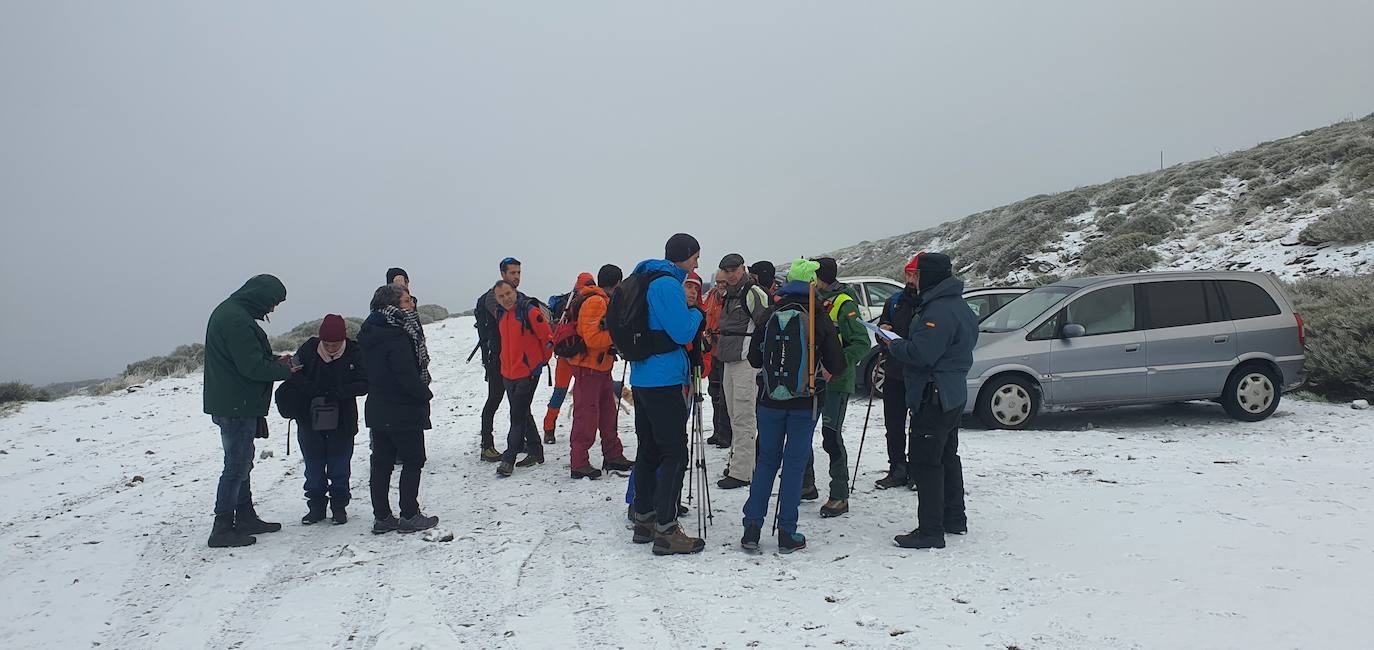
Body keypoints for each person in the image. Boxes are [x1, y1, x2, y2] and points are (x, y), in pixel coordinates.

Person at [740, 260, 847, 554]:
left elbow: (754, 360)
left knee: (766, 462)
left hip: (769, 400)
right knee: (794, 465)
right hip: (805, 402)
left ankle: (751, 527)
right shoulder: (817, 315)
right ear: (812, 283)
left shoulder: (771, 312)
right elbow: (837, 363)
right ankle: (787, 532)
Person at [876, 252, 977, 550]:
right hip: (951, 393)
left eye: (917, 275)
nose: (912, 280)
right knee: (947, 455)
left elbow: (922, 355)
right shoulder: (957, 305)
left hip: (935, 394)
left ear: (930, 276)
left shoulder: (938, 312)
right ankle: (954, 518)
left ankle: (931, 531)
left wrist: (894, 344)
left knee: (925, 462)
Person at [203, 274, 298, 548]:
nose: (272, 309)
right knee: (236, 464)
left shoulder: (232, 312)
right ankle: (222, 526)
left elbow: (249, 359)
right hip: (236, 404)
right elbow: (251, 368)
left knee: (242, 460)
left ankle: (244, 515)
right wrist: (286, 370)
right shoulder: (235, 320)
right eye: (272, 302)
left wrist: (274, 360)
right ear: (260, 296)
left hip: (233, 401)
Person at [626, 233, 706, 556]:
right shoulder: (667, 285)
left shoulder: (642, 279)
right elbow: (683, 331)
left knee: (649, 448)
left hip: (642, 376)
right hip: (664, 379)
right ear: (685, 255)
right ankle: (667, 529)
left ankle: (644, 519)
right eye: (696, 256)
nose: (697, 263)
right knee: (674, 451)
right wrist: (697, 313)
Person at [359, 284, 439, 534]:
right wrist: (424, 393)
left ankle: (382, 517)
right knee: (414, 460)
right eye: (406, 301)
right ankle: (409, 514)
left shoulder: (368, 331)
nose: (411, 305)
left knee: (381, 463)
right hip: (403, 408)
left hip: (378, 407)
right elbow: (405, 374)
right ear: (392, 305)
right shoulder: (397, 333)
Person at [275, 314, 368, 525]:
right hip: (309, 419)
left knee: (339, 466)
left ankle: (339, 507)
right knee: (313, 466)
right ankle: (316, 508)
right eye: (327, 344)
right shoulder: (308, 350)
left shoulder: (355, 352)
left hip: (343, 420)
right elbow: (293, 374)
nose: (331, 348)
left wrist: (339, 392)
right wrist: (315, 391)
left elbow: (365, 383)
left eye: (335, 344)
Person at [799, 258, 869, 517]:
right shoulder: (810, 299)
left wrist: (835, 366)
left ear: (821, 277)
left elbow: (861, 342)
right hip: (810, 380)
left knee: (830, 436)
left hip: (836, 382)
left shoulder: (845, 303)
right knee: (802, 431)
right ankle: (806, 484)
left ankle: (839, 494)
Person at [567, 265, 634, 479]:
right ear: (618, 282)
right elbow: (593, 339)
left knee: (607, 414)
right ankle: (579, 463)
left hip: (600, 368)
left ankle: (613, 455)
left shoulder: (603, 300)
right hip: (588, 369)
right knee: (586, 417)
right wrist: (617, 335)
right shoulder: (596, 302)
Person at [714, 253, 772, 490]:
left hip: (746, 362)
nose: (730, 274)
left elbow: (766, 323)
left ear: (742, 268)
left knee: (743, 415)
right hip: (730, 359)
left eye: (733, 270)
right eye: (726, 271)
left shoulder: (752, 292)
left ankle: (742, 471)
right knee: (734, 413)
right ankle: (740, 462)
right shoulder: (731, 293)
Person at [493, 280, 554, 477]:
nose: (506, 298)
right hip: (508, 373)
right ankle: (536, 450)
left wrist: (538, 364)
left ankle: (508, 459)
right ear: (496, 298)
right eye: (501, 296)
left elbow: (548, 338)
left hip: (527, 373)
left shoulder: (528, 311)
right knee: (522, 412)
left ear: (515, 291)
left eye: (508, 293)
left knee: (517, 416)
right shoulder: (500, 313)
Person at [874, 256, 924, 490]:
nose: (910, 279)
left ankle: (917, 470)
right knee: (893, 425)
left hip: (919, 374)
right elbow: (882, 328)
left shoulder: (929, 302)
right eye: (908, 274)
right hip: (894, 371)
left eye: (915, 274)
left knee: (919, 425)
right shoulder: (894, 301)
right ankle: (897, 468)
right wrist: (882, 332)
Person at [475, 257, 524, 462]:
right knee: (495, 398)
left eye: (519, 273)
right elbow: (508, 321)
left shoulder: (516, 296)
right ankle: (487, 445)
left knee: (519, 400)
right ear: (503, 274)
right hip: (497, 357)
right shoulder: (493, 298)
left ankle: (521, 441)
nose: (517, 277)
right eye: (512, 273)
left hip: (513, 356)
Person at [543, 273, 595, 445]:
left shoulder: (566, 303)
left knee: (560, 391)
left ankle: (548, 428)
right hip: (582, 355)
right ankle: (585, 429)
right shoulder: (591, 300)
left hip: (564, 355)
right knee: (585, 394)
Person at [702, 269, 733, 449]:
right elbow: (706, 315)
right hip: (713, 350)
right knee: (714, 392)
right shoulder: (713, 296)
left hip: (726, 353)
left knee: (725, 395)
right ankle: (718, 431)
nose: (721, 286)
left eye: (724, 283)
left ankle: (726, 433)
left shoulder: (733, 298)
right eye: (718, 282)